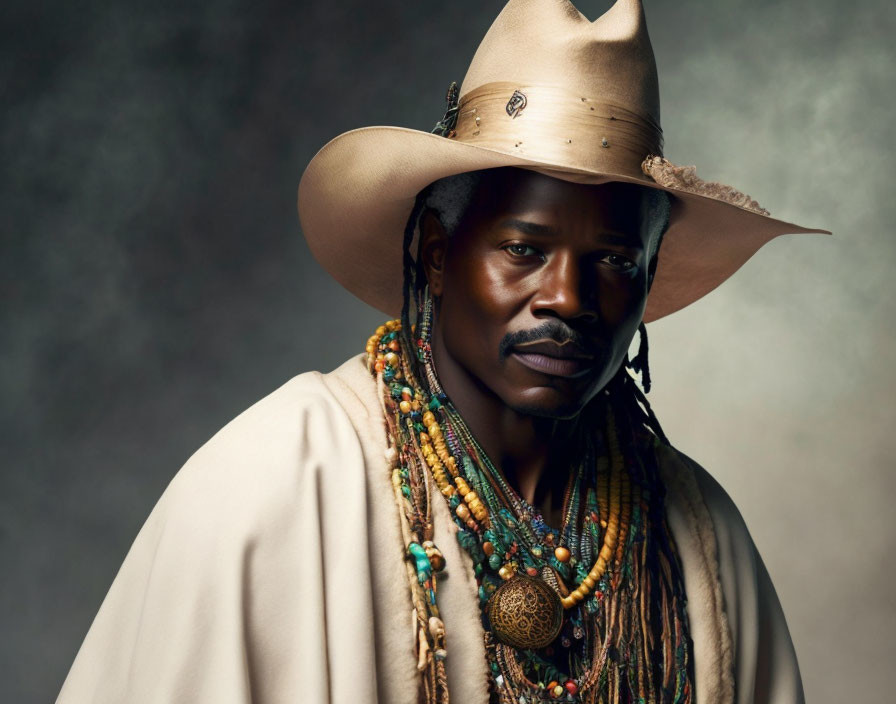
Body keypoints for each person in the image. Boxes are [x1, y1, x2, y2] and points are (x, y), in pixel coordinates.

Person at [58, 1, 828, 702]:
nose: (568, 297)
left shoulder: (697, 535)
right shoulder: (274, 485)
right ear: (435, 251)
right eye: (524, 247)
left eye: (615, 261)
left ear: (650, 276)